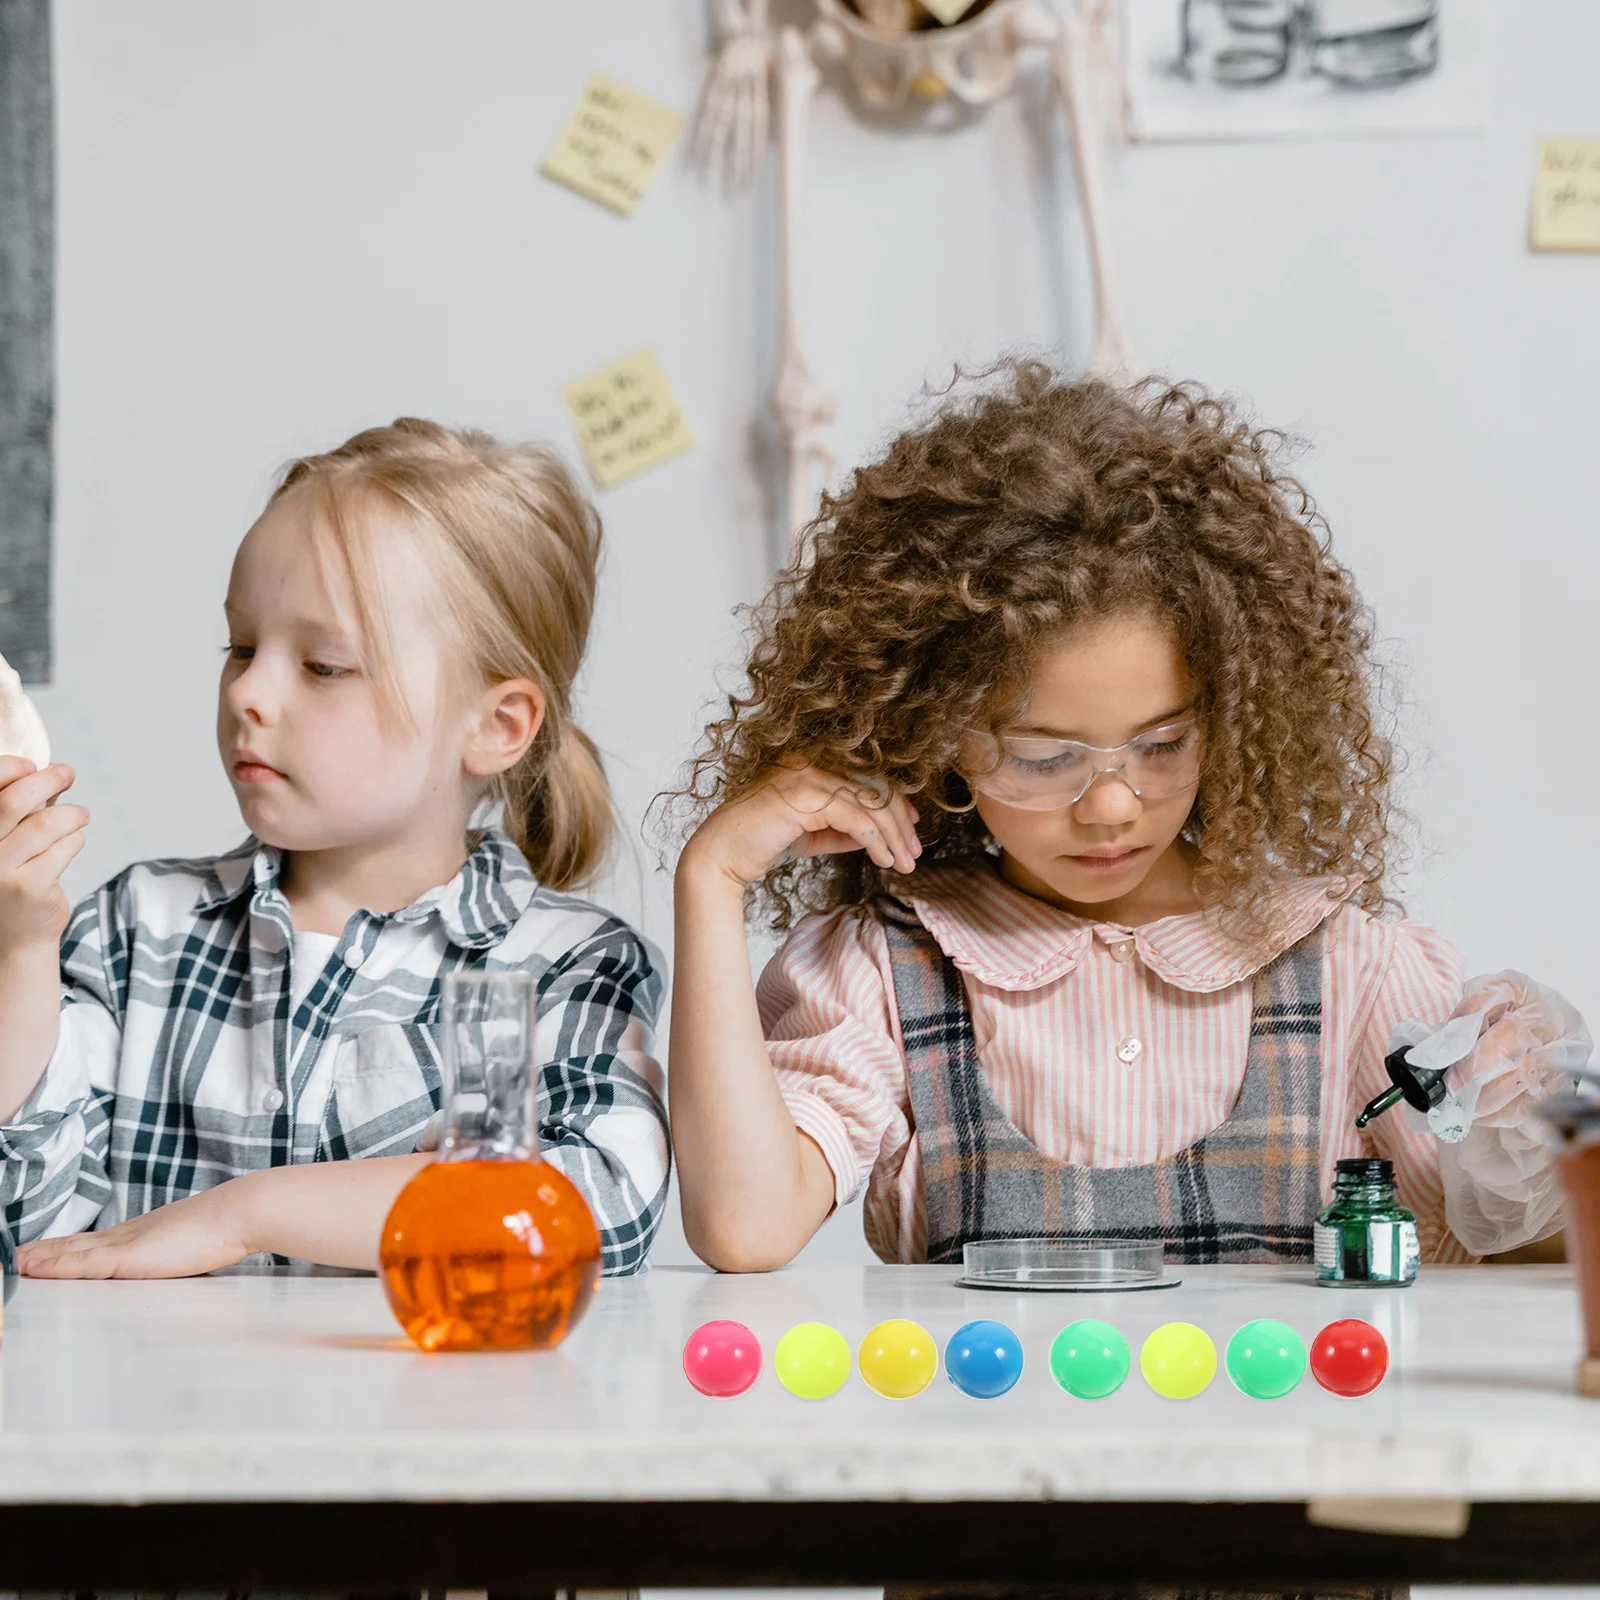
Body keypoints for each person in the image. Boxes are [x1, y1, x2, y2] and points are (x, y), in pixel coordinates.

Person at [669, 362, 1587, 1273]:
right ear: (935, 735)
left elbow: (1521, 1254)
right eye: (1042, 757)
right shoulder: (883, 971)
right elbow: (746, 1229)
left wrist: (1530, 1122)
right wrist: (710, 880)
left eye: (1160, 746)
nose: (1111, 806)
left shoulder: (1349, 970)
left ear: (1228, 718)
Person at [5, 419, 668, 1279]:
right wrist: (18, 950)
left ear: (496, 725)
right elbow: (32, 1225)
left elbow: (594, 1206)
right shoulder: (136, 929)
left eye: (322, 666)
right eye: (240, 647)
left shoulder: (561, 968)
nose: (248, 689)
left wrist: (248, 1212)